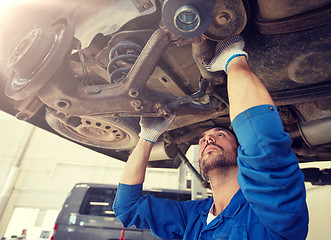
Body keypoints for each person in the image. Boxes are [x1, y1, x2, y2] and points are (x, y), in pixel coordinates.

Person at [113, 35, 309, 239]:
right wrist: (147, 136)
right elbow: (128, 208)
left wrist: (233, 59)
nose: (207, 139)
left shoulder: (268, 212)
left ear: (241, 150)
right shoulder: (193, 216)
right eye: (203, 138)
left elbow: (262, 147)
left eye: (220, 133)